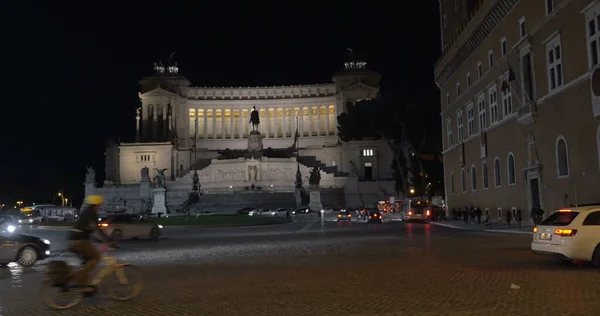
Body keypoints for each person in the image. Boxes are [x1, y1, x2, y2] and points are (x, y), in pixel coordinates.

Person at [67, 195, 116, 291]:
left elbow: (90, 231)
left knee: (87, 262)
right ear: (95, 205)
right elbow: (97, 230)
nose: (99, 207)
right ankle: (79, 279)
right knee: (96, 257)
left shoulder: (87, 213)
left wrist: (99, 240)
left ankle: (84, 285)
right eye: (99, 205)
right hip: (78, 242)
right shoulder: (90, 214)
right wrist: (108, 241)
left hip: (73, 241)